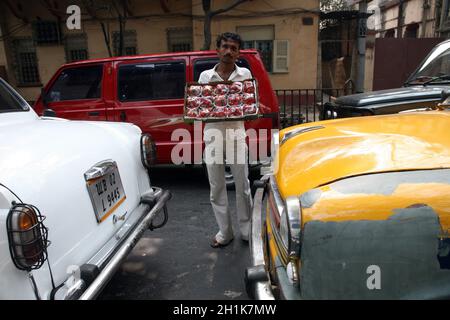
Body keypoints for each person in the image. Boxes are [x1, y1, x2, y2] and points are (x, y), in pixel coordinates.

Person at [198, 32, 253, 248]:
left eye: (233, 48)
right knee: (217, 186)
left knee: (243, 184)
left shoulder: (245, 74)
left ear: (238, 53)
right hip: (212, 135)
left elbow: (250, 104)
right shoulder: (205, 77)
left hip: (236, 134)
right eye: (225, 47)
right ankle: (225, 232)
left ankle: (247, 231)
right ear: (217, 49)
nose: (229, 51)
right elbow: (199, 107)